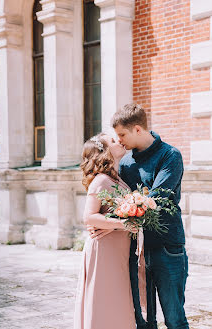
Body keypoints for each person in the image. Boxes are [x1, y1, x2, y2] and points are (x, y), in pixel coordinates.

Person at [110, 103, 189, 329]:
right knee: (143, 320)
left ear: (137, 129)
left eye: (122, 134)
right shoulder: (125, 163)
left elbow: (154, 199)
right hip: (135, 249)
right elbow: (116, 199)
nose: (120, 141)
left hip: (167, 247)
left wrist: (123, 210)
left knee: (174, 318)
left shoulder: (170, 155)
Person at [74, 133, 146, 329]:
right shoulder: (100, 181)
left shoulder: (117, 178)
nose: (119, 141)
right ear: (104, 152)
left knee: (117, 300)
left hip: (118, 251)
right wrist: (121, 224)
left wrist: (117, 222)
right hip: (104, 252)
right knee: (104, 301)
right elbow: (88, 217)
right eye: (113, 141)